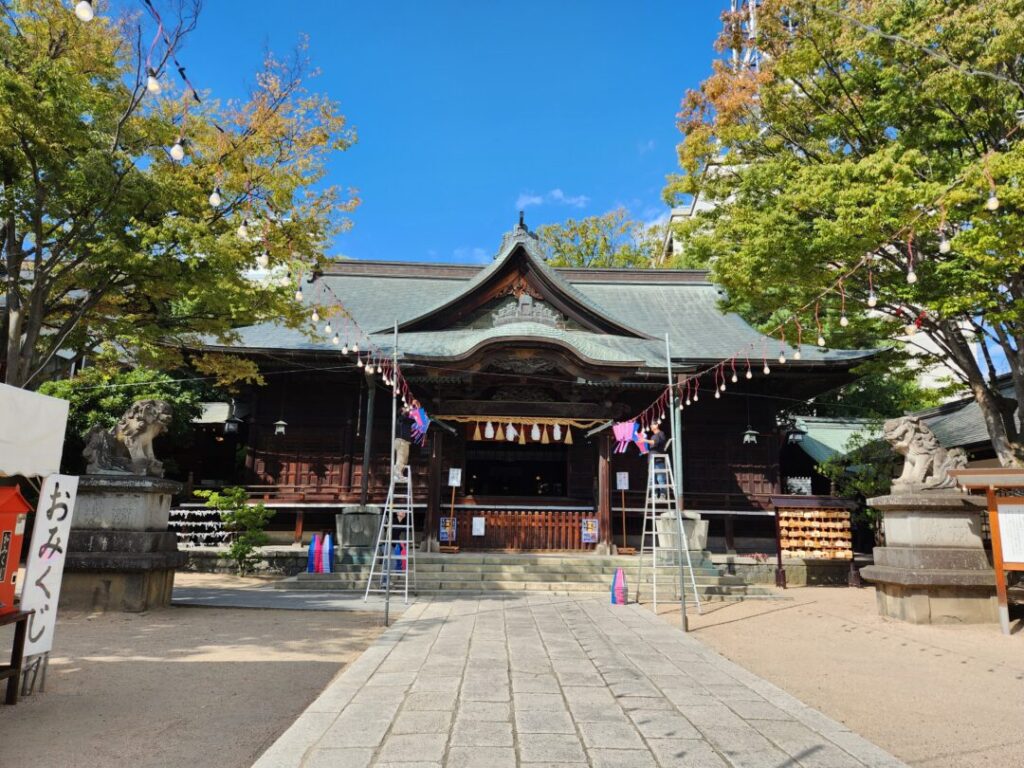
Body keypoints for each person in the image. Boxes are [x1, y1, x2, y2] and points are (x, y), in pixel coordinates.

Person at [642, 423, 669, 498]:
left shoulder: (661, 434)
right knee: (651, 479)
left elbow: (656, 442)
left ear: (656, 425)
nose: (650, 426)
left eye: (652, 425)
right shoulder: (653, 436)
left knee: (660, 478)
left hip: (658, 459)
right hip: (651, 460)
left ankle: (663, 494)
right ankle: (654, 493)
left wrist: (645, 440)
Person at [394, 402, 416, 476]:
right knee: (401, 458)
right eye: (404, 409)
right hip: (401, 441)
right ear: (401, 412)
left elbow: (413, 420)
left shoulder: (407, 420)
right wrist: (409, 409)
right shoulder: (401, 419)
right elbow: (406, 416)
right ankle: (397, 473)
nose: (406, 410)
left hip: (405, 442)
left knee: (405, 460)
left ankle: (400, 473)